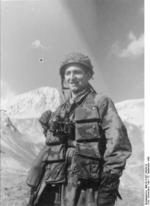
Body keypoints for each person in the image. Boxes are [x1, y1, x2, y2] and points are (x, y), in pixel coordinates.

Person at [26, 52, 132, 206]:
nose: (72, 77)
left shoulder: (101, 102)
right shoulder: (60, 109)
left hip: (85, 185)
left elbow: (118, 144)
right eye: (67, 73)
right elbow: (55, 144)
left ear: (88, 75)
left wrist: (109, 183)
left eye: (77, 72)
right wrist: (47, 128)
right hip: (56, 180)